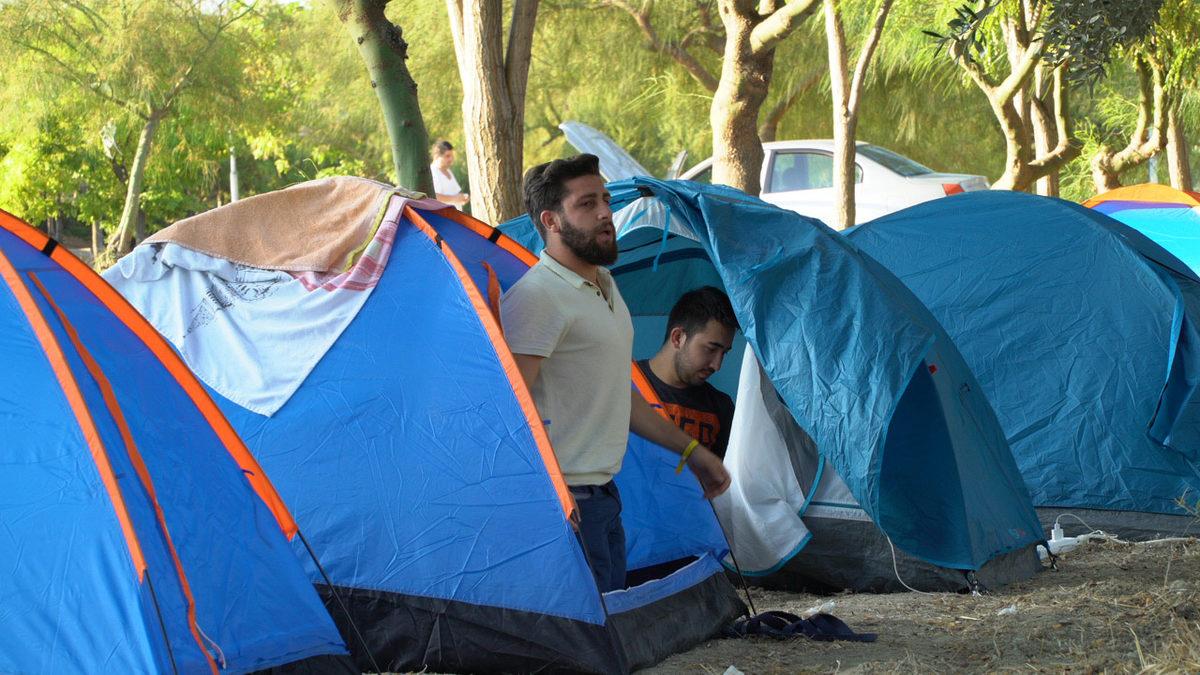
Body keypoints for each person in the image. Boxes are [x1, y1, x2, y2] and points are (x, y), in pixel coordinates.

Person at [500, 154, 731, 593]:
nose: (606, 212)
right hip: (567, 504)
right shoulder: (538, 298)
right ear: (551, 220)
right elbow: (511, 413)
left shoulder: (606, 285)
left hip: (604, 495)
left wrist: (695, 454)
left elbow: (620, 397)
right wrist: (551, 501)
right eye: (587, 204)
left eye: (605, 199)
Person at [637, 287, 737, 459]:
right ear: (678, 338)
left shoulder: (721, 408)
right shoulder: (624, 385)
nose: (717, 365)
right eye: (711, 349)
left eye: (724, 353)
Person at [429, 139, 469, 209]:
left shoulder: (448, 170)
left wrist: (462, 198)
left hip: (455, 216)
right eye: (447, 156)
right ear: (437, 156)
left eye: (451, 156)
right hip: (443, 216)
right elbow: (433, 196)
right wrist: (454, 198)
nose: (451, 159)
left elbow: (454, 193)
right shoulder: (432, 172)